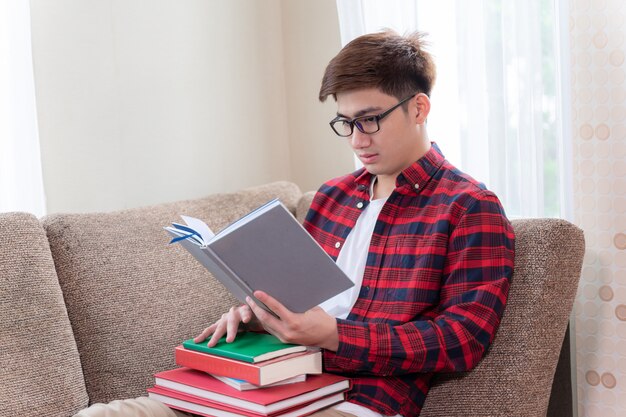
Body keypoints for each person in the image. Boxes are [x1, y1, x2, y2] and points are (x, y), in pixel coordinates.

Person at [75, 30, 514, 417]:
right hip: (265, 383)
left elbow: (463, 338)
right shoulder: (331, 197)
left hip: (356, 399)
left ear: (419, 109)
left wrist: (336, 337)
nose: (358, 139)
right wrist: (260, 313)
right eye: (346, 122)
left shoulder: (468, 207)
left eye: (371, 119)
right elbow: (299, 295)